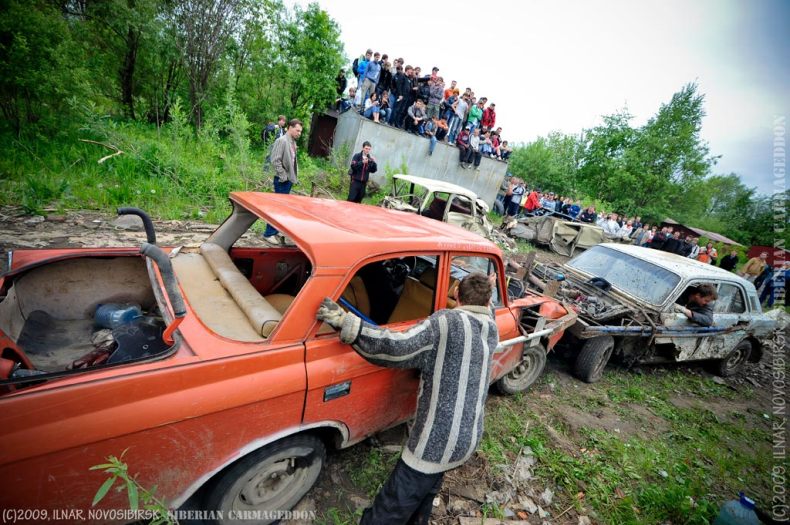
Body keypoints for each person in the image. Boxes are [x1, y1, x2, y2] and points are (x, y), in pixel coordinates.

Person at [315, 273, 499, 525]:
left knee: (390, 508)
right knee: (427, 491)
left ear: (455, 294)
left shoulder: (445, 322)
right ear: (488, 301)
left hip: (435, 443)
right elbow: (490, 310)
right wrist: (490, 287)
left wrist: (348, 323)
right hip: (468, 437)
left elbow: (397, 347)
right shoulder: (491, 327)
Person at [263, 119, 302, 244]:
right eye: (297, 130)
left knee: (281, 209)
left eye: (300, 131)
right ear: (290, 127)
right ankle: (268, 234)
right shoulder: (282, 141)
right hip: (282, 180)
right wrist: (283, 176)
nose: (299, 133)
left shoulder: (292, 142)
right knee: (276, 208)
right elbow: (275, 160)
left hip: (288, 180)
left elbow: (292, 161)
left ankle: (275, 230)